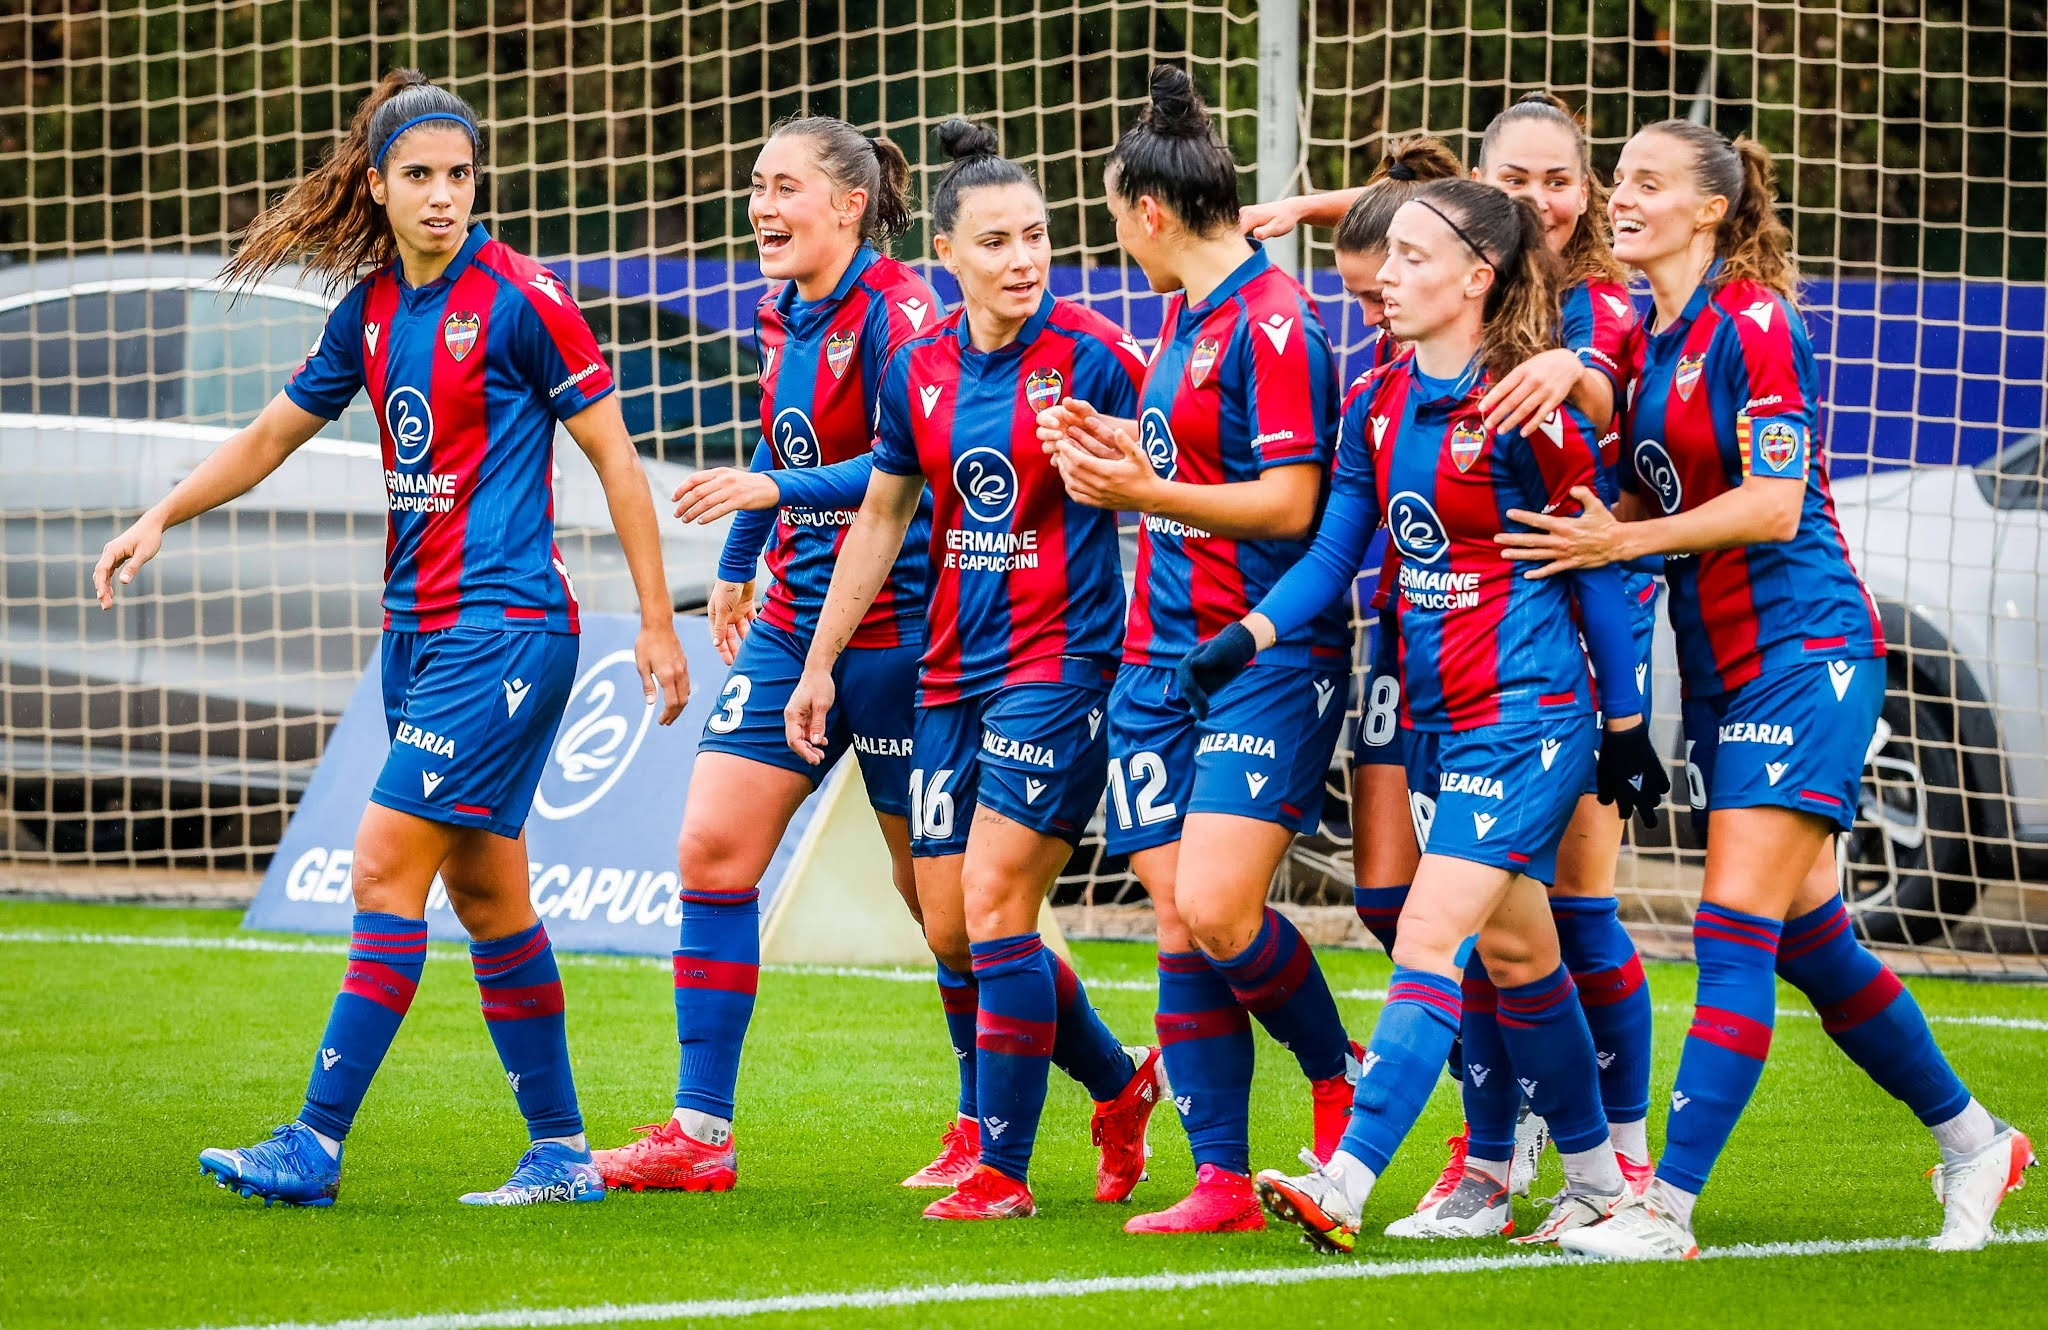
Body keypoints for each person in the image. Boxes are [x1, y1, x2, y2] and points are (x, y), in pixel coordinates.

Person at [94, 70, 691, 1207]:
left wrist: (658, 625)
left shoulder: (522, 297)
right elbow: (272, 434)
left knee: (380, 868)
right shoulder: (369, 312)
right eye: (419, 175)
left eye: (460, 175)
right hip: (417, 633)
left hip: (506, 628)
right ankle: (562, 1153)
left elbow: (616, 458)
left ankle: (314, 1144)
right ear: (377, 186)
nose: (444, 195)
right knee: (488, 896)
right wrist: (161, 512)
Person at [1496, 120, 2032, 1260]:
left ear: (1709, 209)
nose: (1621, 198)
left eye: (1647, 183)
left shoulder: (1752, 321)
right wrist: (1578, 526)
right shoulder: (1651, 340)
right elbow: (1645, 492)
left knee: (1730, 928)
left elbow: (1773, 503)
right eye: (1620, 180)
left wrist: (1620, 544)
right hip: (1725, 668)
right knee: (1811, 940)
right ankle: (1975, 1139)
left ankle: (1664, 1208)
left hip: (1805, 652)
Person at [1184, 178, 1669, 1253]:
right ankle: (1598, 1183)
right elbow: (1332, 556)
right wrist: (1244, 639)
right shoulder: (1378, 400)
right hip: (1438, 722)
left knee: (1429, 933)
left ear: (1476, 278)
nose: (1386, 279)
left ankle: (1346, 1180)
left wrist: (1626, 725)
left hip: (1529, 715)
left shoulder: (1529, 407)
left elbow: (1594, 569)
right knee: (1519, 957)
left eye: (1410, 258)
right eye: (1386, 257)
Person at [786, 119, 1163, 1222]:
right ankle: (1118, 1081)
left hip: (1062, 661)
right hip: (949, 671)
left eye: (1036, 236)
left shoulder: (1096, 352)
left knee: (998, 904)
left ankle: (1002, 1170)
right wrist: (818, 664)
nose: (1023, 258)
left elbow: (1182, 465)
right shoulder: (919, 367)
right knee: (951, 925)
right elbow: (881, 516)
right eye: (996, 241)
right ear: (946, 252)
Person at [594, 116, 946, 1193]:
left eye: (783, 187)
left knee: (946, 910)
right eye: (756, 186)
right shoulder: (780, 308)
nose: (761, 207)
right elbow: (777, 435)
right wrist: (741, 560)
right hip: (793, 621)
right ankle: (699, 1133)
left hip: (900, 632)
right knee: (712, 850)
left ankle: (1084, 1090)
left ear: (849, 204)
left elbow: (908, 468)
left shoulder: (901, 313)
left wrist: (773, 492)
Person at [1039, 66, 1361, 1236]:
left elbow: (1288, 503)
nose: (1115, 240)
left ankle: (1338, 1073)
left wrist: (1144, 488)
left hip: (1260, 653)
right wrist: (1119, 447)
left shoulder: (1275, 321)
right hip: (1157, 655)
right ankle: (1219, 1178)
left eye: (1113, 218)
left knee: (1221, 909)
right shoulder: (1184, 312)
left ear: (1150, 212)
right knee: (1179, 919)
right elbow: (1191, 458)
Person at [1392, 91, 1667, 1225]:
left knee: (1574, 911)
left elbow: (1598, 385)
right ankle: (1493, 1156)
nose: (1539, 200)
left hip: (1578, 643)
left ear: (1586, 193)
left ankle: (1620, 1159)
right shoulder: (1443, 293)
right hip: (1451, 650)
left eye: (1560, 180)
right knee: (1463, 915)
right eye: (1514, 179)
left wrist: (1562, 370)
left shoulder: (1598, 300)